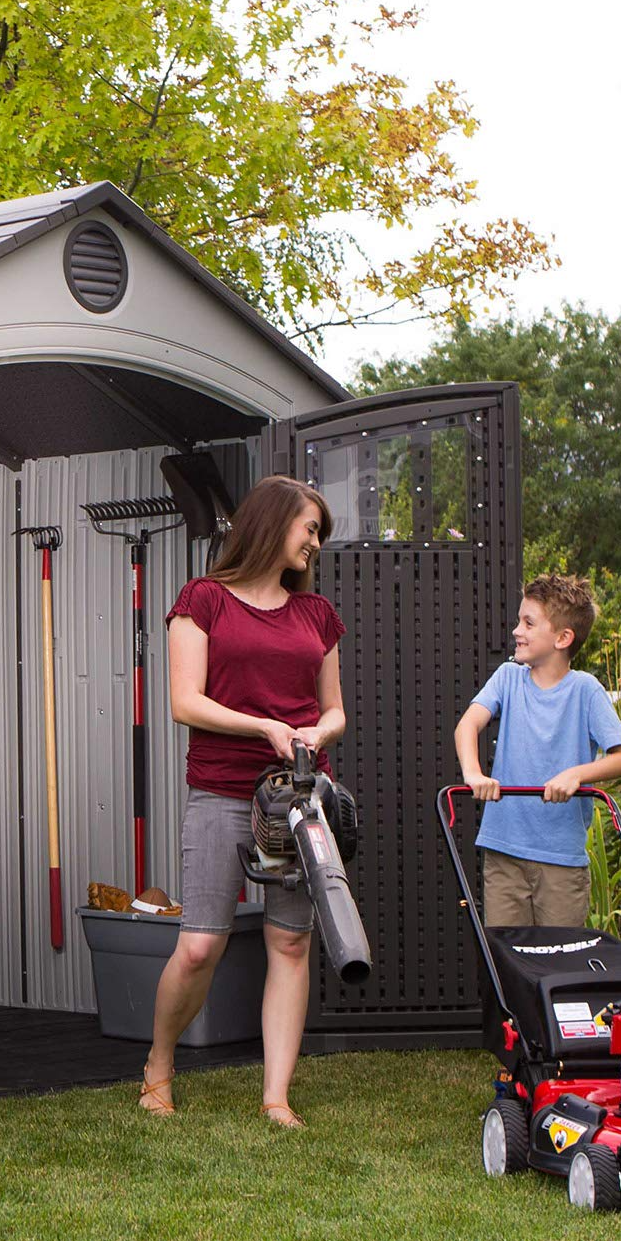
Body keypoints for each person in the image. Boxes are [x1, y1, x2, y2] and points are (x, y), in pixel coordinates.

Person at [142, 475, 348, 1127]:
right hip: (223, 792)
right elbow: (185, 702)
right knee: (201, 945)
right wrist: (261, 725)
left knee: (290, 944)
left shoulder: (317, 616)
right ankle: (158, 1065)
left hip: (302, 801)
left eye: (319, 533)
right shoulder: (202, 601)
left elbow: (336, 710)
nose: (315, 542)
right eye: (308, 528)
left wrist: (318, 731)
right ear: (271, 521)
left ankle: (276, 1096)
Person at [452, 573, 621, 930]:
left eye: (528, 623)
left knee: (559, 961)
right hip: (504, 852)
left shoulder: (586, 691)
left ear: (562, 638)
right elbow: (467, 725)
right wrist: (473, 774)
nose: (516, 631)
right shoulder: (508, 678)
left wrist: (576, 774)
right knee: (509, 960)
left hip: (560, 861)